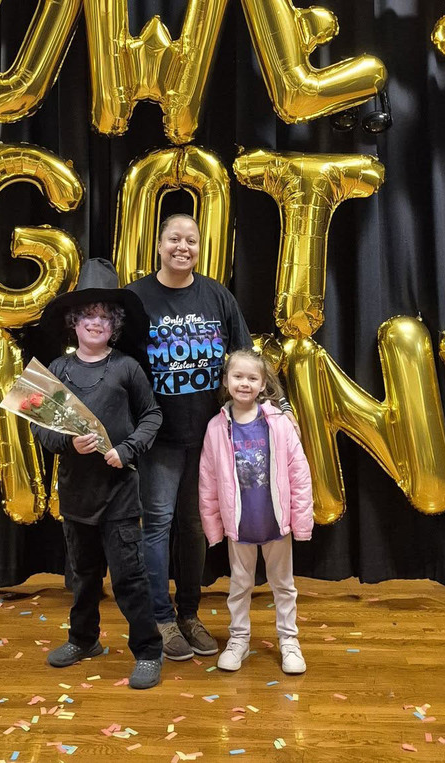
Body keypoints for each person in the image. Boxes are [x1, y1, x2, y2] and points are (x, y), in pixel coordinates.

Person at [32, 259, 164, 690]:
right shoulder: (57, 370)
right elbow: (40, 429)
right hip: (76, 495)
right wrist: (67, 443)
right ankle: (83, 640)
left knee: (128, 579)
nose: (95, 322)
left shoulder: (126, 367)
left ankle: (149, 651)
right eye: (88, 315)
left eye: (105, 316)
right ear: (74, 322)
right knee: (83, 576)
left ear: (115, 325)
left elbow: (152, 415)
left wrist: (127, 450)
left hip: (119, 494)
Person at [125, 214, 252, 660]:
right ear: (159, 245)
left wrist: (270, 410)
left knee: (195, 525)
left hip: (206, 435)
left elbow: (243, 357)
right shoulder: (136, 298)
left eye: (191, 240)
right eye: (174, 239)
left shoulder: (217, 295)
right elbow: (120, 368)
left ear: (200, 248)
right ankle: (161, 619)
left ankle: (190, 614)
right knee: (158, 524)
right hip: (158, 437)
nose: (183, 247)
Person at [198, 348, 313, 675]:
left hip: (276, 523)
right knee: (239, 586)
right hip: (240, 527)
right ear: (226, 381)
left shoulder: (279, 424)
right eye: (238, 376)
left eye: (252, 378)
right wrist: (213, 528)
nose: (244, 383)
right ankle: (238, 639)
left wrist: (301, 521)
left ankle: (289, 640)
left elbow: (299, 473)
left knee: (283, 586)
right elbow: (207, 480)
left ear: (263, 384)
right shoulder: (216, 428)